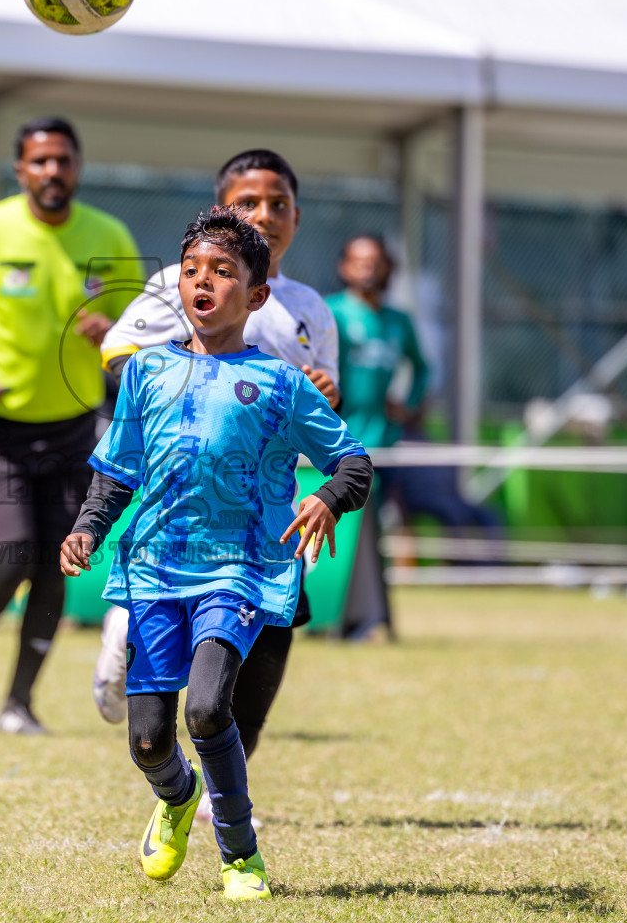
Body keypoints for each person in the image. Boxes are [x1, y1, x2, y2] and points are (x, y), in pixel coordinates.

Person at [61, 208, 371, 900]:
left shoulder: (282, 383)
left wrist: (325, 498)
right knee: (148, 741)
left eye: (224, 272)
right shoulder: (146, 374)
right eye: (193, 271)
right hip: (154, 570)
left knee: (205, 709)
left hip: (242, 571)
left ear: (257, 296)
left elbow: (353, 463)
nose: (204, 282)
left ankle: (241, 857)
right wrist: (88, 525)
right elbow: (119, 468)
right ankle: (175, 796)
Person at [91, 149, 340, 751]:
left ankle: (237, 756)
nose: (264, 214)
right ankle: (124, 627)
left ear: (297, 219)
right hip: (187, 487)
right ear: (221, 210)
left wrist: (325, 393)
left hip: (267, 498)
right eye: (247, 202)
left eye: (278, 204)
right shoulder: (182, 285)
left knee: (279, 619)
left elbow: (326, 403)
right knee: (169, 590)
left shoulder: (310, 308)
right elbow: (115, 357)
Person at [0, 116, 141, 736]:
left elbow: (142, 327)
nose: (52, 171)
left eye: (63, 160)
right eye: (39, 161)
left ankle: (18, 704)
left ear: (77, 167)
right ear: (20, 170)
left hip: (73, 427)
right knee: (11, 556)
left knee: (56, 564)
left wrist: (113, 334)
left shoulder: (108, 234)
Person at [325, 234, 430, 639]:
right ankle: (329, 616)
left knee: (374, 532)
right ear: (345, 266)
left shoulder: (398, 322)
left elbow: (421, 368)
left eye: (375, 261)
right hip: (335, 443)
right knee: (334, 526)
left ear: (387, 268)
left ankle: (368, 617)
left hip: (382, 443)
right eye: (358, 260)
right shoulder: (330, 312)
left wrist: (408, 403)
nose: (367, 268)